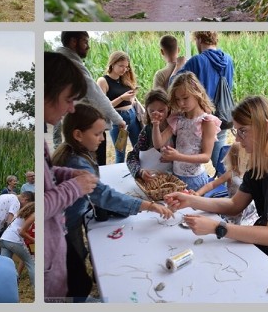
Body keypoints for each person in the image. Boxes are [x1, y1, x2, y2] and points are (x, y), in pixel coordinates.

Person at [165, 95, 268, 282]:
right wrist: (192, 200)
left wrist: (218, 228)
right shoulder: (259, 161)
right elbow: (235, 204)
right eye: (236, 132)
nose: (239, 140)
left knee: (228, 266)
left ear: (265, 127)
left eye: (243, 131)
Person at [52, 103, 174, 298]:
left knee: (79, 255)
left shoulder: (75, 154)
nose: (102, 139)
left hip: (71, 220)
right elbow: (104, 196)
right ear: (78, 135)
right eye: (98, 134)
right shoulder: (77, 163)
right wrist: (148, 206)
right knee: (75, 266)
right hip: (65, 225)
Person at [43, 51, 99, 302]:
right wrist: (74, 186)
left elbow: (48, 175)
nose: (71, 107)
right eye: (68, 99)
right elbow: (42, 204)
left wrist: (67, 174)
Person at [55, 32, 126, 165]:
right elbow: (96, 96)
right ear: (73, 41)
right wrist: (118, 120)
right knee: (94, 166)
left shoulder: (62, 62)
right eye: (85, 42)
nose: (88, 46)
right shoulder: (72, 65)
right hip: (87, 122)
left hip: (75, 122)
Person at [172, 31, 235, 170]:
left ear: (199, 40)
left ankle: (225, 187)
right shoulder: (229, 60)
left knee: (200, 160)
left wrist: (178, 66)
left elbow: (174, 84)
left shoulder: (197, 60)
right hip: (224, 116)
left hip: (202, 119)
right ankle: (227, 187)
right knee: (221, 160)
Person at [154, 72, 222, 191]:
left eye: (185, 98)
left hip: (194, 180)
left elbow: (206, 157)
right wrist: (155, 124)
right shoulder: (178, 118)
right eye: (177, 99)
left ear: (197, 93)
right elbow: (158, 143)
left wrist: (178, 156)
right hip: (176, 177)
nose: (181, 103)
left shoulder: (206, 121)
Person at [194, 142, 259, 226]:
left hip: (249, 208)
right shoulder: (231, 173)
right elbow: (213, 184)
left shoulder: (252, 171)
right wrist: (198, 193)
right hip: (234, 206)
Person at [96, 50, 141, 164]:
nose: (124, 69)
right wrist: (122, 98)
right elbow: (102, 107)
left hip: (133, 116)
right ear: (112, 64)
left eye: (126, 67)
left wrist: (132, 98)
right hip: (118, 121)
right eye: (121, 66)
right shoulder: (103, 81)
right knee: (120, 153)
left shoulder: (124, 79)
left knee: (139, 149)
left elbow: (129, 99)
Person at [126, 88, 174, 181]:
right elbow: (131, 157)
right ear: (146, 110)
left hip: (174, 180)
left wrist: (175, 159)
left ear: (169, 108)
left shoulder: (177, 129)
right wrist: (140, 172)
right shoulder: (147, 131)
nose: (157, 114)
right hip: (151, 182)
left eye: (161, 110)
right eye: (152, 111)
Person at [0, 201, 35, 286]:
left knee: (6, 265)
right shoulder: (33, 215)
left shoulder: (20, 214)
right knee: (31, 263)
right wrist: (33, 239)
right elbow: (21, 232)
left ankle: (11, 284)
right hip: (14, 240)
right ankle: (37, 287)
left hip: (4, 239)